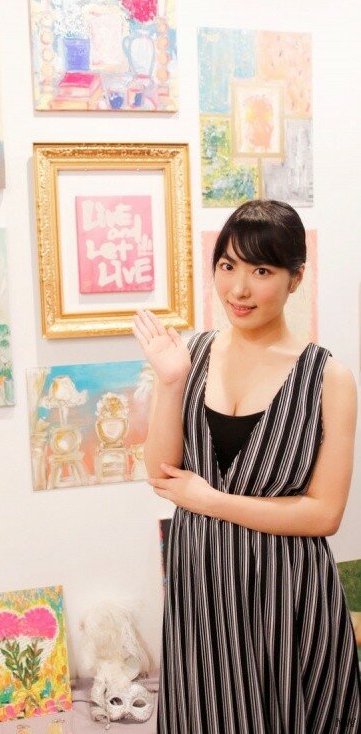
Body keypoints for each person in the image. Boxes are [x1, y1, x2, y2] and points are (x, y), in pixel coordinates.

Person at [132, 200, 360, 733]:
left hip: (285, 589)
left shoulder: (328, 377)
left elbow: (324, 514)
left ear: (295, 278)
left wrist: (212, 502)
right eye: (228, 265)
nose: (239, 289)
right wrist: (170, 382)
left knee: (284, 714)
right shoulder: (193, 354)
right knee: (207, 711)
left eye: (261, 271)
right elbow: (162, 472)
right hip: (200, 582)